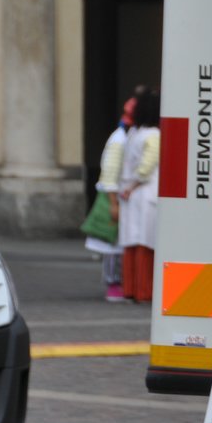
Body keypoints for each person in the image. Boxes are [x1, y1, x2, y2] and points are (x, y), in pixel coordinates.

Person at [87, 94, 136, 301]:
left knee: (118, 243)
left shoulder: (126, 136)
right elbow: (110, 172)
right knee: (111, 243)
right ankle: (113, 283)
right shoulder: (120, 139)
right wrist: (114, 203)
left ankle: (118, 282)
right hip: (113, 196)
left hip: (119, 195)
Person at [118, 88, 161, 303]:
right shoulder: (154, 135)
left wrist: (126, 187)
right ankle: (145, 291)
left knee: (132, 242)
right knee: (147, 243)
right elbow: (147, 167)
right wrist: (133, 185)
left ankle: (131, 288)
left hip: (131, 194)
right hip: (146, 190)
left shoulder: (134, 134)